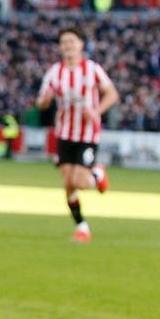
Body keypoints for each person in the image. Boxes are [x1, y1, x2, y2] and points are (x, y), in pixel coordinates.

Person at [36, 27, 119, 242]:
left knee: (80, 182)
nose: (68, 45)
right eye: (64, 42)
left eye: (72, 41)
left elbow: (112, 94)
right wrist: (44, 101)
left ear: (81, 45)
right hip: (64, 134)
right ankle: (82, 226)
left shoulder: (92, 69)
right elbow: (41, 101)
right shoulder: (55, 71)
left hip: (87, 134)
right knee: (68, 184)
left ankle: (97, 174)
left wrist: (96, 112)